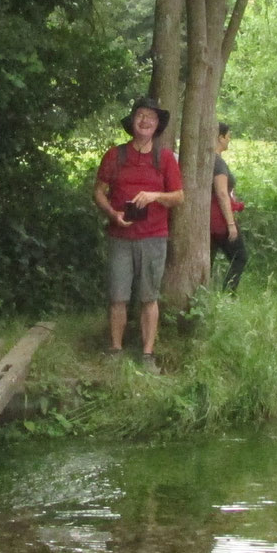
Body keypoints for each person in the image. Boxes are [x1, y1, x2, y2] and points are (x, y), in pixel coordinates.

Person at [94, 97, 184, 372]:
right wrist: (113, 214)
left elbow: (179, 197)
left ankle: (147, 355)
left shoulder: (165, 157)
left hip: (154, 236)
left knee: (149, 297)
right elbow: (98, 191)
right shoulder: (115, 155)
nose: (145, 121)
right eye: (140, 116)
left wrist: (155, 195)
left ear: (157, 126)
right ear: (133, 121)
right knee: (118, 296)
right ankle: (115, 349)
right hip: (120, 236)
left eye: (151, 118)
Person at [209, 122, 247, 295]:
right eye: (228, 136)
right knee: (240, 257)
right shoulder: (218, 162)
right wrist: (231, 224)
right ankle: (228, 294)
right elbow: (222, 193)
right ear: (220, 137)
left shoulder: (210, 159)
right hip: (220, 220)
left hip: (210, 219)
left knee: (209, 258)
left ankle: (204, 295)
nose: (229, 139)